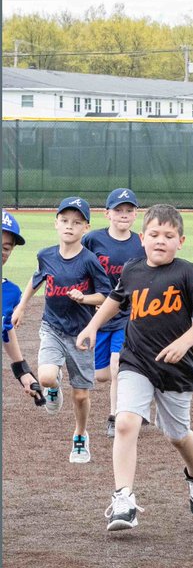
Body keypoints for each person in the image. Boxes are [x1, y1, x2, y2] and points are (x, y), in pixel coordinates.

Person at [75, 204, 193, 532]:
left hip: (175, 369)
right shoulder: (132, 270)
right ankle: (123, 499)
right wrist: (93, 326)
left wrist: (184, 342)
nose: (160, 240)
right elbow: (116, 299)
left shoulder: (189, 273)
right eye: (154, 234)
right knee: (125, 422)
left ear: (180, 241)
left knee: (177, 436)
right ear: (143, 238)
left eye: (169, 236)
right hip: (135, 360)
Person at [12, 197, 111, 464]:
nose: (70, 226)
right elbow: (35, 282)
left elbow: (106, 296)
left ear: (86, 228)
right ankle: (54, 388)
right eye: (65, 221)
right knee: (45, 377)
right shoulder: (46, 255)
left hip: (81, 334)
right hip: (52, 327)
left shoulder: (89, 260)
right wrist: (21, 307)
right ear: (56, 223)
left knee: (81, 395)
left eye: (76, 222)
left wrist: (85, 298)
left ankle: (80, 435)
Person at [82, 188, 144, 439]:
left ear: (136, 214)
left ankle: (115, 415)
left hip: (127, 315)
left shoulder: (140, 243)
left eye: (129, 210)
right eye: (118, 210)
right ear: (107, 213)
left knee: (118, 366)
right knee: (102, 376)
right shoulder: (93, 240)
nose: (124, 215)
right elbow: (79, 266)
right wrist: (88, 297)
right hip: (98, 315)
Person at [2, 211, 44, 406]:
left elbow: (6, 328)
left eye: (6, 247)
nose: (2, 252)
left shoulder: (10, 293)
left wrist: (23, 372)